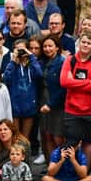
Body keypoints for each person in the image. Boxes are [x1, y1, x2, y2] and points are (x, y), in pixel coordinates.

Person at [60, 31, 91, 168]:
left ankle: (84, 173)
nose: (85, 45)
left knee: (89, 142)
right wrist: (89, 82)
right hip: (72, 109)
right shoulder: (70, 60)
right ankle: (68, 172)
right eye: (83, 42)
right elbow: (63, 82)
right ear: (79, 43)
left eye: (89, 43)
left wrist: (73, 81)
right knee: (70, 142)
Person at [4, 39, 42, 139]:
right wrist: (13, 62)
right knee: (15, 137)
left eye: (23, 49)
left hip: (29, 105)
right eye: (18, 49)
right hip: (15, 106)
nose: (21, 52)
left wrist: (31, 56)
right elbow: (6, 79)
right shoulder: (12, 64)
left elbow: (39, 74)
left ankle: (26, 154)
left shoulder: (32, 65)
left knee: (25, 137)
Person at [38, 35, 66, 165]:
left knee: (57, 137)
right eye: (45, 46)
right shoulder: (42, 62)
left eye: (50, 46)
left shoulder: (62, 62)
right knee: (47, 135)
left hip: (57, 104)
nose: (47, 49)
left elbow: (63, 87)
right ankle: (51, 166)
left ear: (57, 47)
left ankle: (63, 166)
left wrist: (51, 104)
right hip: (43, 100)